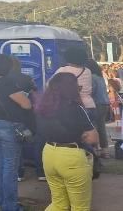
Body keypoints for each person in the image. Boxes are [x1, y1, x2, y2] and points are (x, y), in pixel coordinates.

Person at [36, 72, 98, 211]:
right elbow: (93, 138)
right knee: (80, 207)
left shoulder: (43, 107)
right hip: (71, 156)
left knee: (58, 204)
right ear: (72, 89)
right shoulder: (76, 108)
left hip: (49, 153)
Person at [0, 54, 32, 211]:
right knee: (10, 167)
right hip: (7, 126)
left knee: (2, 164)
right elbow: (26, 105)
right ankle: (10, 206)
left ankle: (2, 201)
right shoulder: (7, 83)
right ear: (5, 67)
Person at [55, 46, 96, 115]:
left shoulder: (63, 70)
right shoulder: (87, 71)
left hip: (73, 106)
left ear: (68, 58)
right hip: (89, 105)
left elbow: (49, 85)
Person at [87, 59, 111, 156]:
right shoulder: (100, 77)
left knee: (94, 127)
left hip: (96, 104)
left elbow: (91, 91)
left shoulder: (92, 77)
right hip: (105, 103)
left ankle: (95, 149)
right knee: (102, 127)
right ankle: (105, 151)